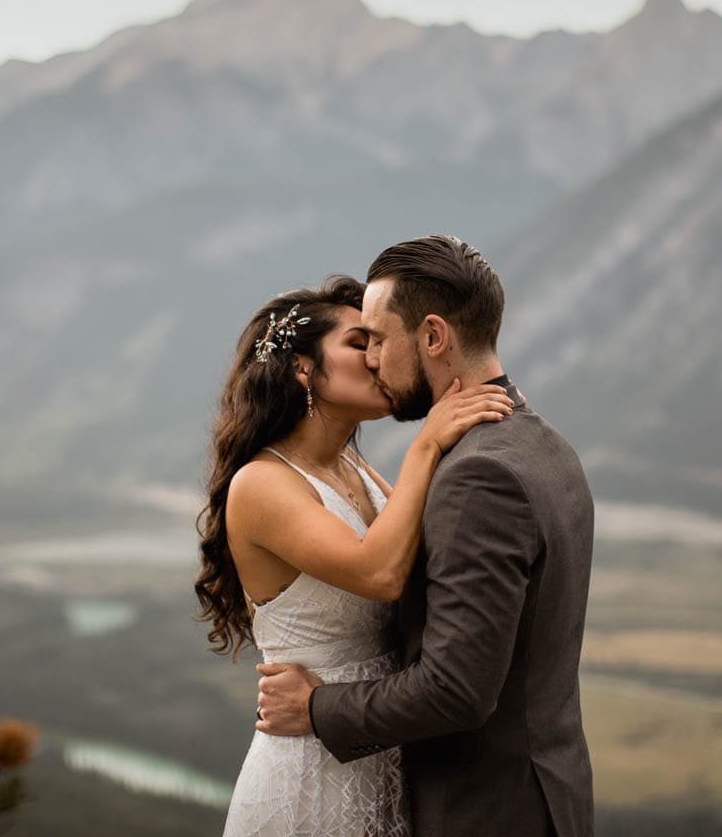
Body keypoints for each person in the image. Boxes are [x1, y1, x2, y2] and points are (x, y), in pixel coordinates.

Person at [255, 236, 596, 837]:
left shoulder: (478, 475)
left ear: (434, 337)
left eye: (379, 341)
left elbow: (456, 690)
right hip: (543, 797)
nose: (373, 362)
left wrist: (313, 706)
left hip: (487, 813)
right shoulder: (545, 445)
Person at [196, 273, 516, 837]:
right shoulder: (260, 483)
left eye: (376, 341)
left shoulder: (354, 469)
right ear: (301, 367)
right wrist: (426, 445)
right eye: (356, 343)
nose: (375, 357)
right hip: (307, 776)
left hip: (376, 754)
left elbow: (424, 557)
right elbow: (382, 572)